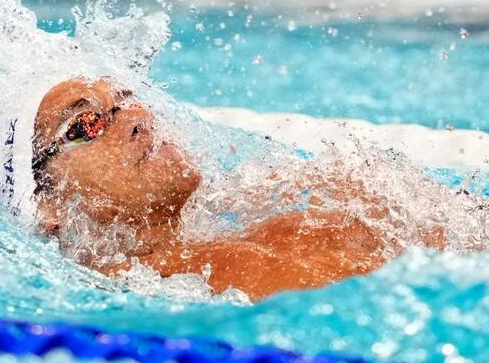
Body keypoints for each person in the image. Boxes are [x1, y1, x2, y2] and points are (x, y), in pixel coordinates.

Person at [30, 77, 447, 300]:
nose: (137, 115)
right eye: (86, 124)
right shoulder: (146, 301)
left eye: (125, 99)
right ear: (49, 206)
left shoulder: (288, 226)